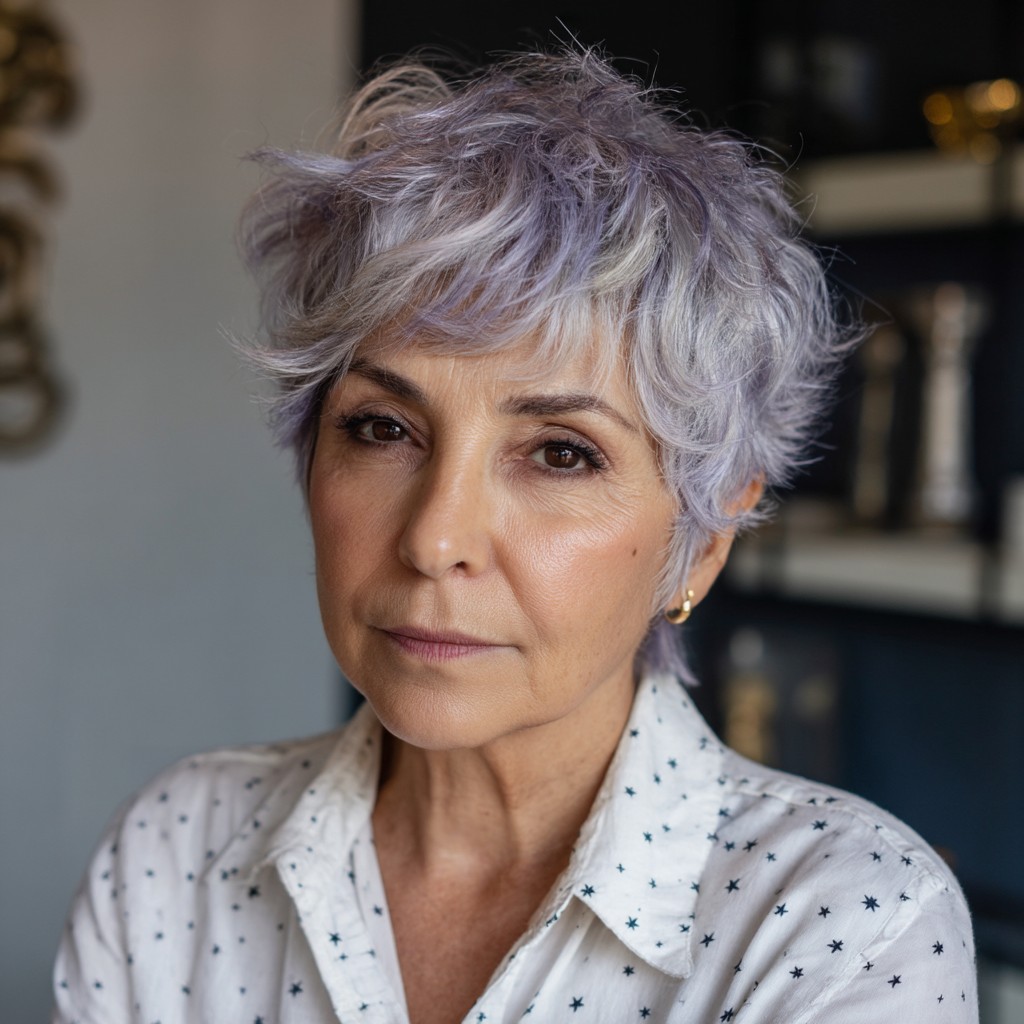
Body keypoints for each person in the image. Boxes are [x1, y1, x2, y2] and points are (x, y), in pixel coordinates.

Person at [52, 49, 977, 1024]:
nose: (436, 537)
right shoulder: (177, 850)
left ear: (702, 541)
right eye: (383, 428)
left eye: (560, 453)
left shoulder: (844, 925)